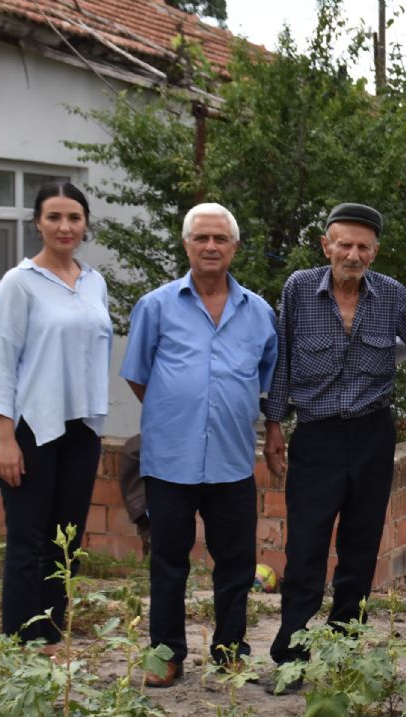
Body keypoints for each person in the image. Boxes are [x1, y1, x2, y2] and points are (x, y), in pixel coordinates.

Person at [264, 203, 406, 687]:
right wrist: (274, 424)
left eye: (363, 247)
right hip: (315, 436)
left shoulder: (391, 296)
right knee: (306, 550)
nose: (353, 255)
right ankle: (291, 657)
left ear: (375, 252)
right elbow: (282, 361)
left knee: (360, 551)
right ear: (327, 246)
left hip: (371, 436)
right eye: (345, 244)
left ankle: (345, 654)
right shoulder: (299, 289)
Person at [120, 203, 278, 688]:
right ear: (186, 244)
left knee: (236, 565)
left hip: (232, 461)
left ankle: (230, 651)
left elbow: (267, 382)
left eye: (220, 239)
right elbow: (139, 376)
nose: (211, 247)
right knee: (169, 562)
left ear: (233, 247)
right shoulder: (157, 306)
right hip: (170, 460)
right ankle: (166, 654)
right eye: (201, 238)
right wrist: (178, 412)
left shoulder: (258, 313)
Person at [0, 181, 111, 649]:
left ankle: (52, 639)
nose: (64, 226)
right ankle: (19, 647)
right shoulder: (19, 284)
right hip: (32, 428)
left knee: (65, 544)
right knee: (27, 544)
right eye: (54, 217)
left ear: (85, 224)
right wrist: (4, 437)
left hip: (81, 428)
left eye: (74, 218)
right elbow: (1, 360)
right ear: (38, 222)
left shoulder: (94, 282)